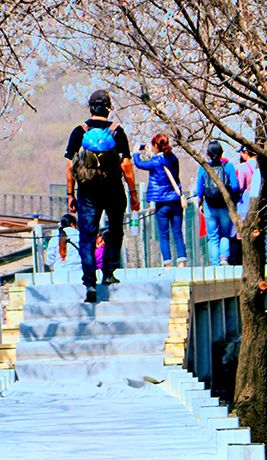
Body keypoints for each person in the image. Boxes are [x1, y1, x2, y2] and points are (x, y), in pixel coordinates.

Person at [64, 88, 140, 302]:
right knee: (115, 231)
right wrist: (133, 193)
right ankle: (108, 273)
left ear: (90, 108)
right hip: (114, 190)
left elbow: (71, 166)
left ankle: (90, 282)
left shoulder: (80, 131)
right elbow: (126, 164)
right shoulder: (117, 131)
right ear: (109, 109)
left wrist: (70, 194)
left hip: (87, 192)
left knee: (87, 236)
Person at [133, 133, 187, 266]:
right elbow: (161, 162)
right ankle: (181, 263)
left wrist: (135, 153)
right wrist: (153, 154)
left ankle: (167, 264)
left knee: (164, 235)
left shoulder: (155, 162)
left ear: (156, 146)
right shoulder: (174, 159)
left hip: (161, 203)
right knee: (178, 233)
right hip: (175, 201)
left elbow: (140, 164)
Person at [196, 140, 240, 266]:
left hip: (209, 205)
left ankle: (215, 264)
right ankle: (224, 258)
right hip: (225, 205)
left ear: (208, 154)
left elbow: (199, 190)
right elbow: (236, 186)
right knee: (225, 233)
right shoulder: (228, 166)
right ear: (221, 152)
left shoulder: (204, 168)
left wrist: (200, 204)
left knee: (212, 236)